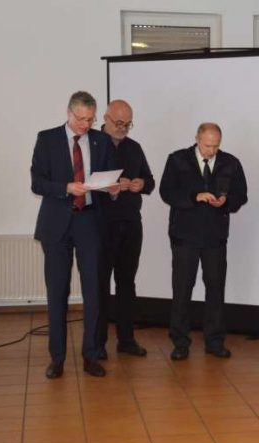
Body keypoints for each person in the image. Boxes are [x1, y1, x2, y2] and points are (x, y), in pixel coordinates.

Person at [31, 91, 117, 379]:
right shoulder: (47, 139)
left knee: (93, 290)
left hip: (90, 222)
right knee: (58, 291)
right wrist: (66, 187)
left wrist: (111, 186)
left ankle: (91, 354)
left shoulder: (101, 140)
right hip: (56, 223)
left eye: (90, 119)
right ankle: (57, 358)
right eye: (80, 119)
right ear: (69, 113)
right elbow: (37, 182)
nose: (84, 124)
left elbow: (106, 177)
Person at [159, 123, 248, 361]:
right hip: (184, 236)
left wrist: (226, 202)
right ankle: (180, 342)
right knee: (182, 291)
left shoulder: (231, 162)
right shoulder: (177, 159)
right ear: (197, 139)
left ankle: (215, 341)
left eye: (216, 146)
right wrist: (193, 197)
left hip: (215, 237)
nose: (212, 150)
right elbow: (166, 191)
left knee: (215, 290)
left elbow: (242, 195)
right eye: (208, 145)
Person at [97, 100, 155, 359]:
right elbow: (82, 183)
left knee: (126, 283)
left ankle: (126, 339)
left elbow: (151, 181)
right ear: (106, 118)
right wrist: (109, 185)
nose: (123, 128)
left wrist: (141, 183)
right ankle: (96, 344)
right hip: (100, 225)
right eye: (118, 123)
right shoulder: (91, 144)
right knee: (98, 285)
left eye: (128, 124)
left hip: (131, 223)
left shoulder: (134, 148)